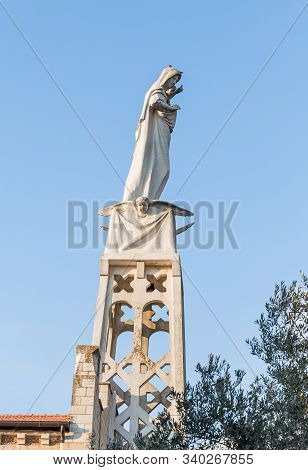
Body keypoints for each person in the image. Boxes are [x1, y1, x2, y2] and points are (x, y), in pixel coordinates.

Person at [123, 66, 183, 202]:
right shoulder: (156, 90)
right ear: (166, 77)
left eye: (176, 80)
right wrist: (170, 107)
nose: (174, 83)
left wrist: (172, 95)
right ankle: (140, 198)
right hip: (154, 133)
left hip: (160, 131)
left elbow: (160, 98)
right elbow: (155, 102)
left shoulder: (160, 92)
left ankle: (149, 197)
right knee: (156, 166)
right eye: (173, 79)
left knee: (161, 167)